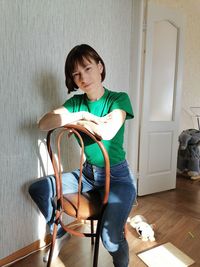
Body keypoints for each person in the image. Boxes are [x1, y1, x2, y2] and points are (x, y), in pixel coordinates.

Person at [29, 44, 136, 267]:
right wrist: (83, 115)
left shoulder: (118, 99)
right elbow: (44, 123)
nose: (83, 77)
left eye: (87, 68)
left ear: (100, 67)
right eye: (76, 74)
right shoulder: (76, 103)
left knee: (110, 239)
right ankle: (59, 235)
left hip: (117, 178)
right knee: (38, 189)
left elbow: (106, 131)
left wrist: (76, 122)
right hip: (87, 175)